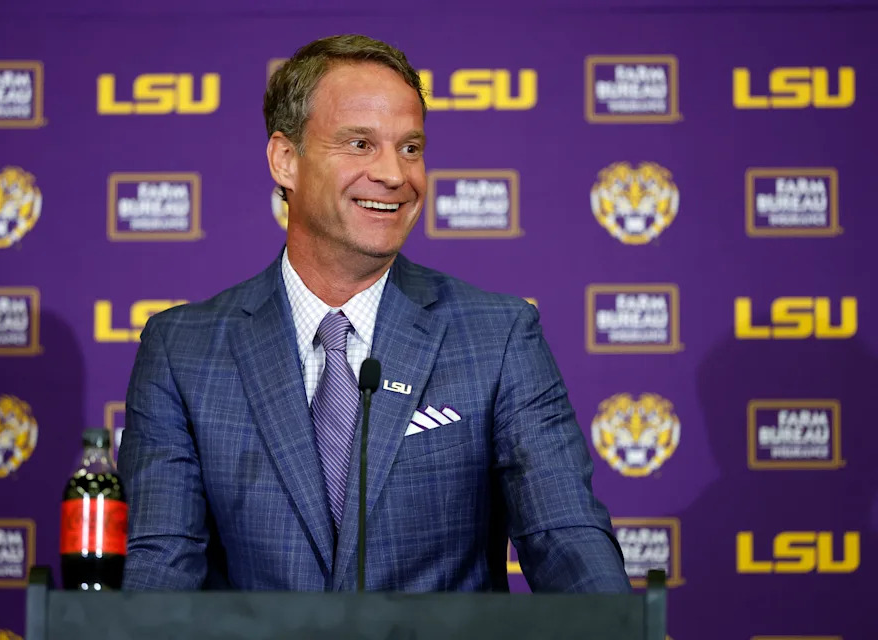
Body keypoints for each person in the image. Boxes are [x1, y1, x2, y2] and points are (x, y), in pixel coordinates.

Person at [119, 34, 630, 593]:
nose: (395, 174)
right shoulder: (183, 350)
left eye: (410, 148)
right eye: (361, 144)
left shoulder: (499, 336)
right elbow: (160, 574)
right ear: (286, 159)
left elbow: (568, 540)